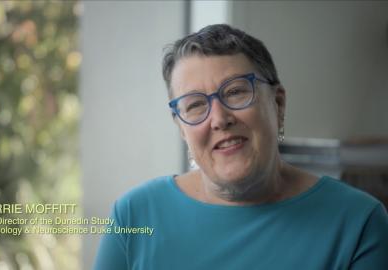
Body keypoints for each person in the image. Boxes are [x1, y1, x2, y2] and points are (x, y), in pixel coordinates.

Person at [93, 24, 388, 270]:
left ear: (278, 103)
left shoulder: (358, 222)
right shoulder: (133, 216)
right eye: (195, 105)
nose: (219, 119)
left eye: (235, 92)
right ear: (181, 128)